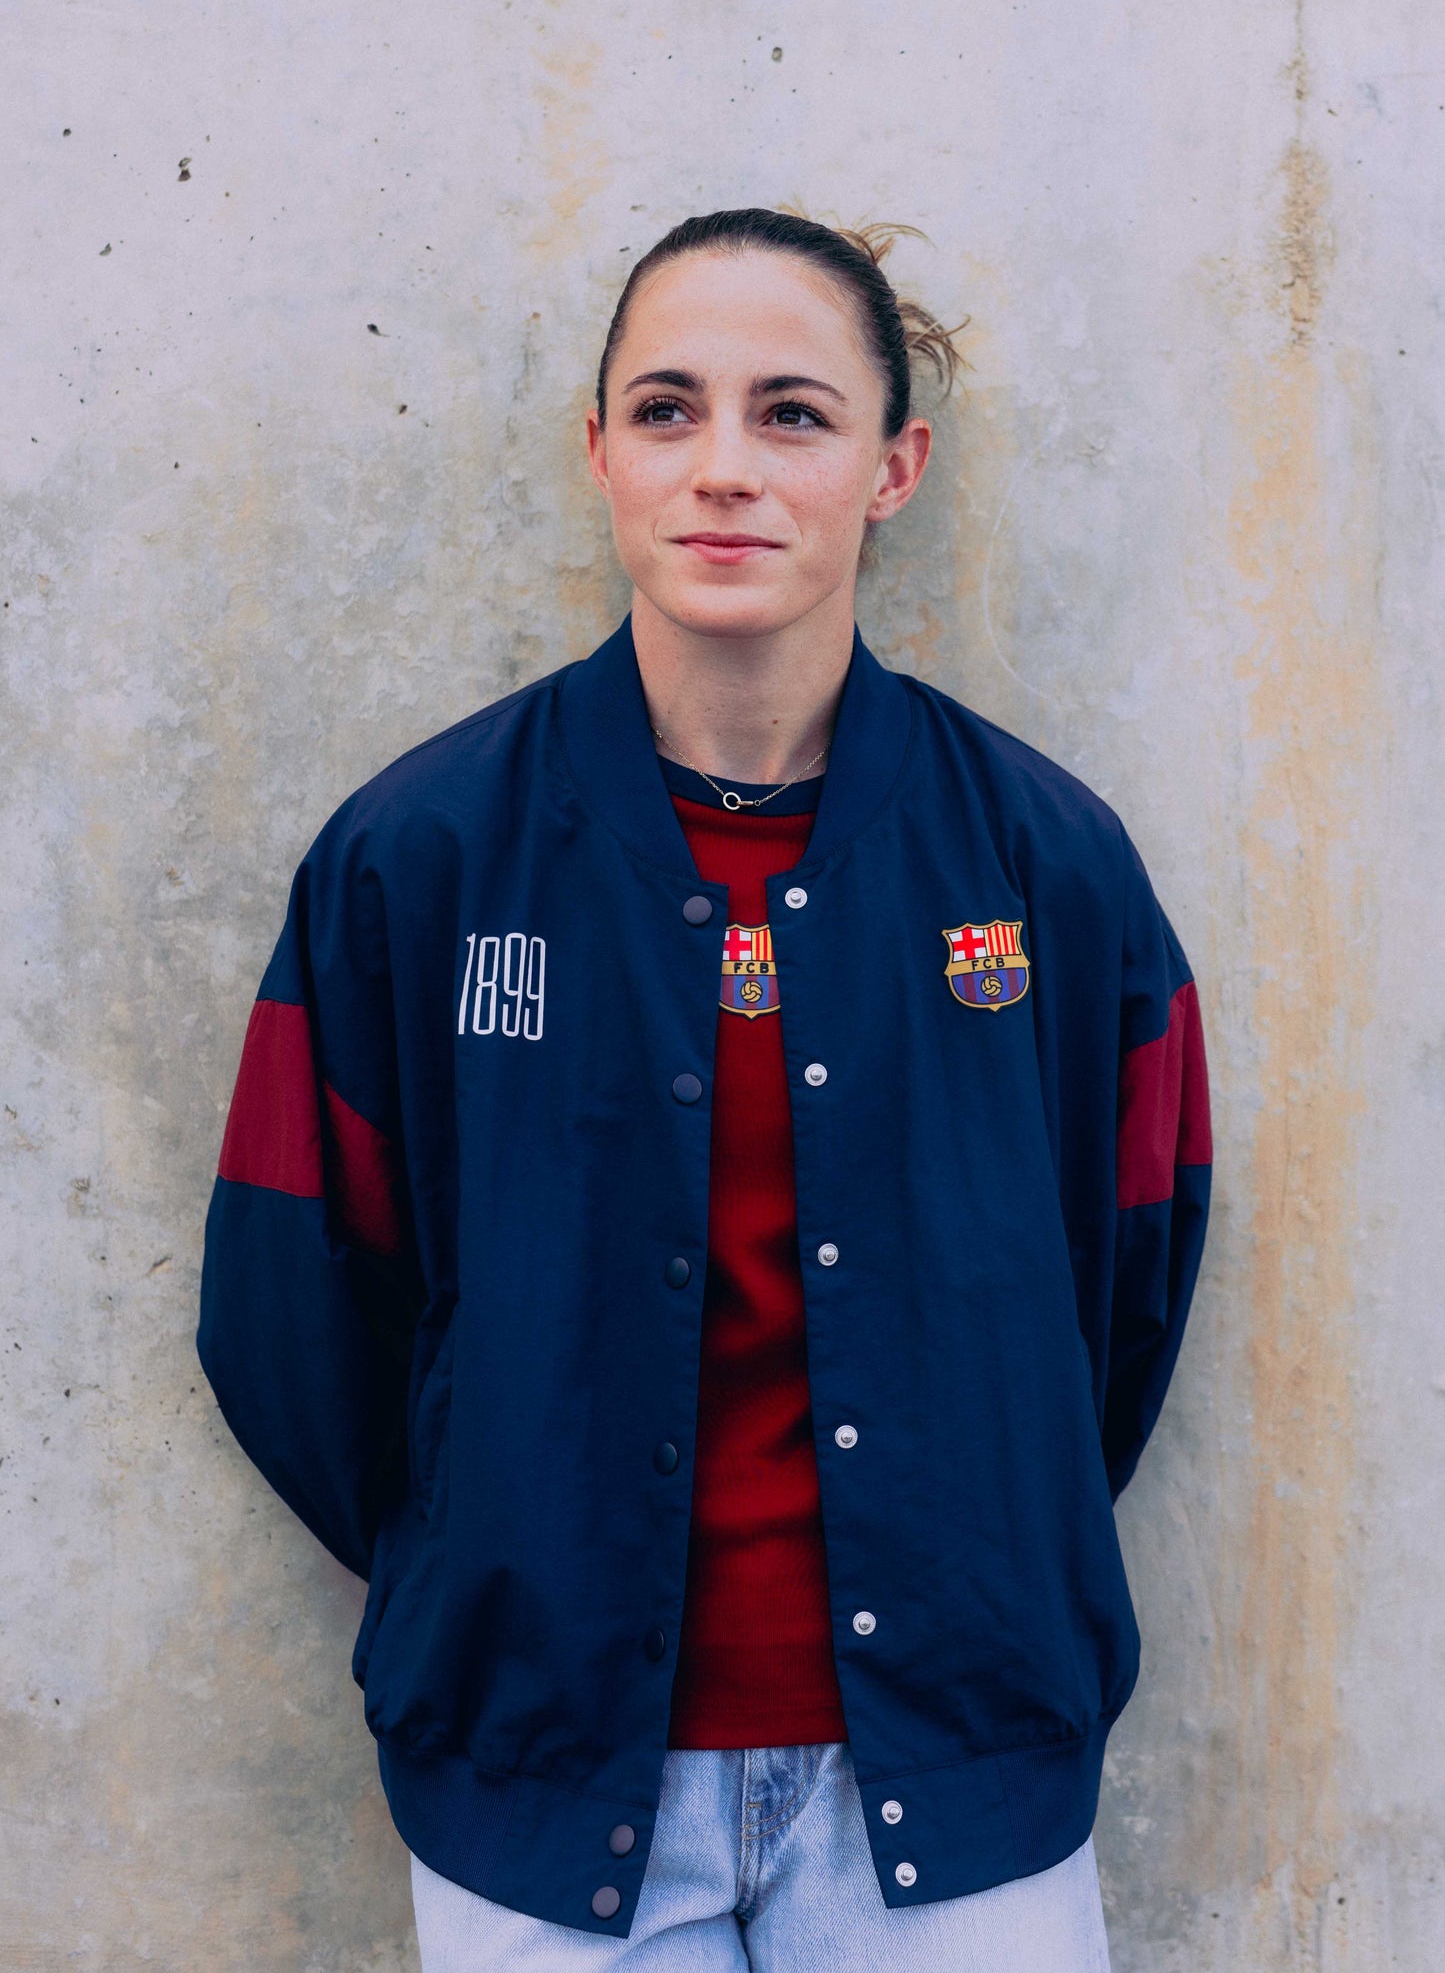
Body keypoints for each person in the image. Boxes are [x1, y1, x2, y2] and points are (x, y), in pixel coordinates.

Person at [197, 208, 1212, 1970]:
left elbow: (1121, 1285)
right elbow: (289, 1301)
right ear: (598, 452)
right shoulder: (419, 857)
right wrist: (483, 1552)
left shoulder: (1047, 865)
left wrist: (992, 1527)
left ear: (891, 470)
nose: (722, 467)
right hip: (541, 1765)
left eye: (791, 414)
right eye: (667, 409)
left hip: (956, 1762)